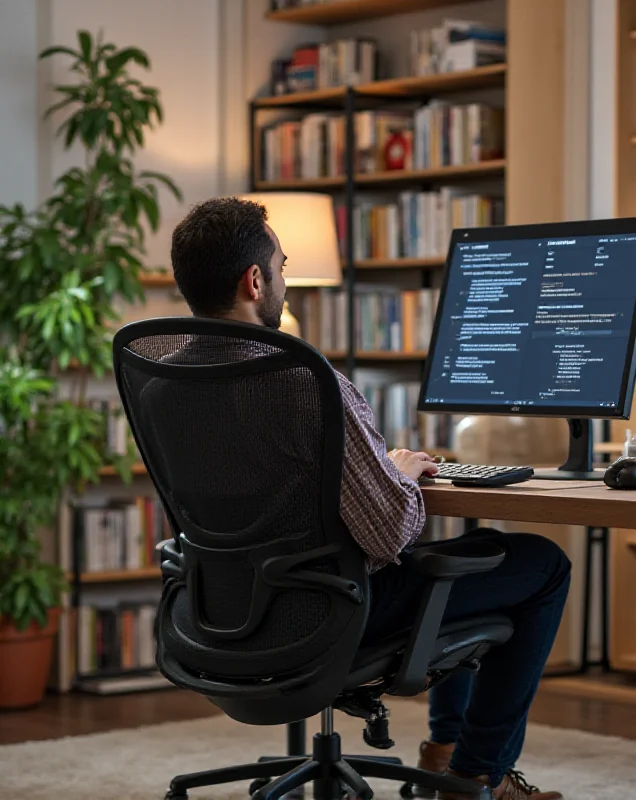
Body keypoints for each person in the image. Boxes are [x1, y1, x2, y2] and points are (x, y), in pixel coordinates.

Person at [169, 197, 571, 800]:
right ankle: (473, 776)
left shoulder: (168, 380)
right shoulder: (305, 383)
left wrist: (368, 474)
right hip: (329, 612)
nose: (284, 280)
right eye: (281, 266)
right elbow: (388, 533)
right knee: (540, 565)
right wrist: (398, 474)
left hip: (219, 612)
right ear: (255, 281)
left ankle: (445, 753)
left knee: (478, 551)